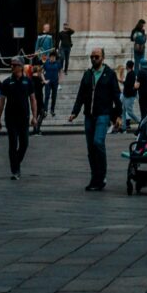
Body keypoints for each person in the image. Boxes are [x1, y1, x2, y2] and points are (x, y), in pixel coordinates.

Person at [70, 46, 123, 192]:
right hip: (89, 115)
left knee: (98, 142)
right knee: (90, 148)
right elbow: (81, 94)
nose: (94, 59)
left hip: (103, 114)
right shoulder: (88, 74)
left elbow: (116, 95)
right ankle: (94, 177)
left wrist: (118, 115)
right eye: (92, 57)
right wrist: (75, 112)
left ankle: (101, 176)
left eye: (97, 57)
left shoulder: (109, 74)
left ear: (103, 58)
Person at [0, 60, 37, 180]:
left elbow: (33, 99)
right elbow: (1, 102)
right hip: (10, 117)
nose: (11, 67)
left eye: (14, 65)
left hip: (24, 117)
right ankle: (15, 169)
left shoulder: (28, 81)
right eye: (11, 65)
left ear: (20, 67)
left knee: (24, 144)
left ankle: (16, 162)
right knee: (13, 143)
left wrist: (34, 117)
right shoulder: (7, 82)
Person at [42, 51, 62, 120]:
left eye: (54, 57)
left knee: (54, 96)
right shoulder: (46, 63)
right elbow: (41, 72)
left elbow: (60, 71)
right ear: (49, 57)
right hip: (48, 82)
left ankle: (52, 110)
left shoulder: (58, 64)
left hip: (55, 82)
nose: (53, 58)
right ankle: (45, 110)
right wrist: (44, 80)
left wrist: (59, 80)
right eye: (52, 57)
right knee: (47, 96)